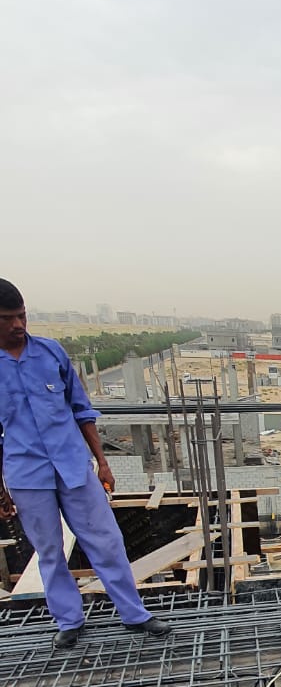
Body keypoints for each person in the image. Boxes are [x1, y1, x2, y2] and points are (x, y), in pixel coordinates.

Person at [0, 278, 171, 649]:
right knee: (48, 551)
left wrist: (102, 462)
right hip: (27, 475)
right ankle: (69, 620)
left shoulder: (50, 354)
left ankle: (134, 614)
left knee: (106, 540)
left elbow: (82, 411)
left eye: (22, 315)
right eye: (7, 318)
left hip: (73, 467)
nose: (18, 324)